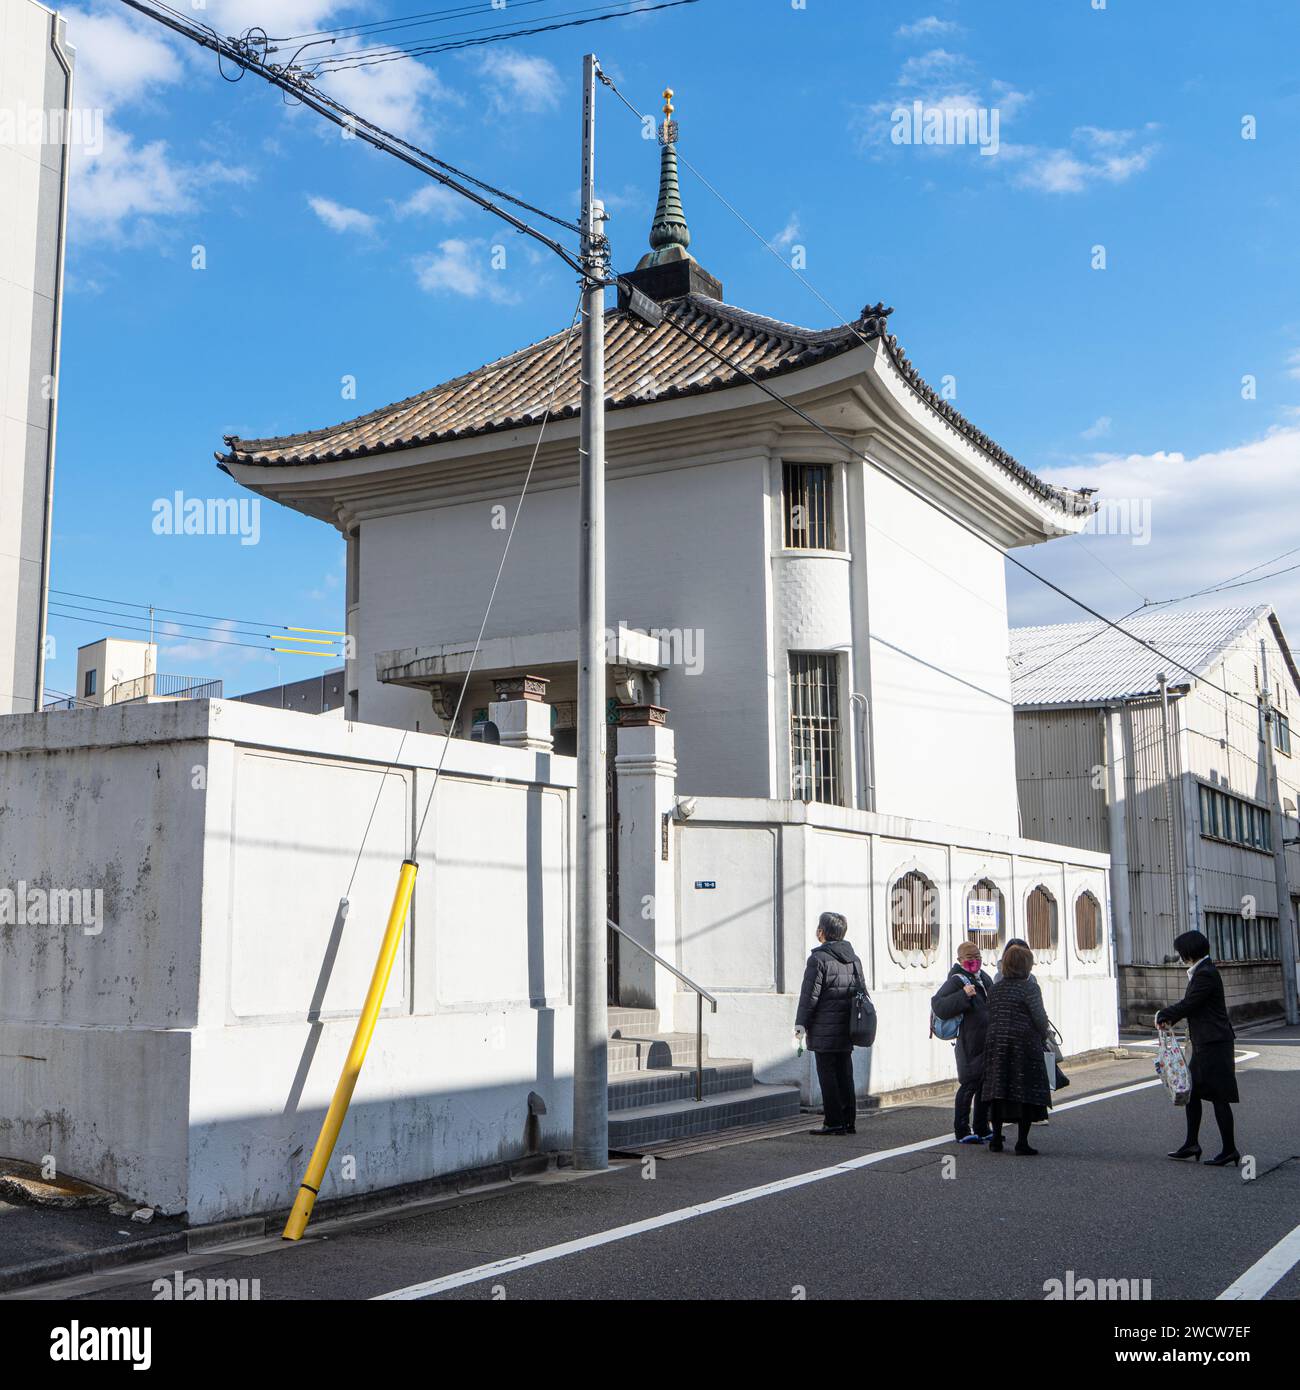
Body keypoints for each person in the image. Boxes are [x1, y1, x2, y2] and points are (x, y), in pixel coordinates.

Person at [1156, 929, 1240, 1166]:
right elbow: (1194, 1007)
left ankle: (1229, 1150)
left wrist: (1165, 1014)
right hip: (1206, 1042)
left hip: (1215, 1043)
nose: (1180, 956)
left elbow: (1191, 1004)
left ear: (1188, 952)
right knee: (1191, 1092)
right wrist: (1170, 1018)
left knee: (1219, 1097)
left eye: (1181, 951)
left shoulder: (1205, 974)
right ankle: (1191, 1143)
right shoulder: (1202, 970)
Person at [795, 911, 864, 1136]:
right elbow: (861, 992)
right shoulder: (854, 959)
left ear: (822, 932)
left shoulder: (818, 959)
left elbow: (809, 997)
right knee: (845, 1073)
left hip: (824, 1028)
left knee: (828, 1076)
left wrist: (800, 1024)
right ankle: (848, 1121)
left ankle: (833, 1122)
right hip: (848, 1026)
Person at [980, 942, 1053, 1154]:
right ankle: (1022, 1142)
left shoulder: (996, 988)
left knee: (998, 1089)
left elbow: (990, 1013)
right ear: (1025, 966)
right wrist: (1044, 1033)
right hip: (1023, 1044)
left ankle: (996, 1139)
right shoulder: (1030, 987)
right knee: (1025, 1091)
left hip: (996, 1043)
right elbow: (1039, 1017)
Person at [931, 941, 993, 1143]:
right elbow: (939, 1004)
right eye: (970, 958)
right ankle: (962, 1130)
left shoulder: (984, 978)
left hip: (987, 1041)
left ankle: (983, 1127)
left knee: (985, 1085)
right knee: (969, 1084)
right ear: (960, 960)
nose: (974, 961)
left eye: (978, 957)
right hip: (969, 1042)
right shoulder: (957, 980)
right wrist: (962, 996)